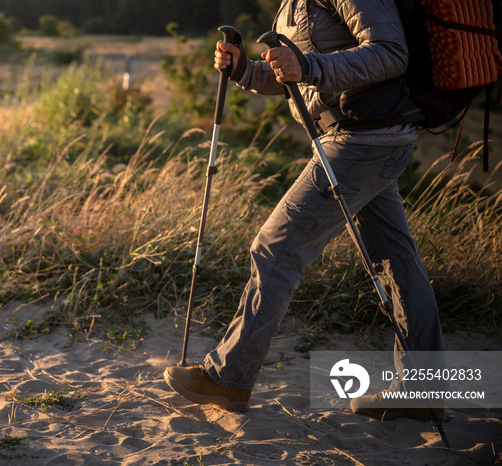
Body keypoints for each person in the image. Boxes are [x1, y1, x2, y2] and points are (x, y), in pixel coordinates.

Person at [164, 0, 447, 420]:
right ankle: (423, 392)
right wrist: (244, 69)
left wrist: (309, 67)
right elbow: (293, 77)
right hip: (367, 140)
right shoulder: (293, 4)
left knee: (276, 248)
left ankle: (228, 378)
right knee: (397, 261)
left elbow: (391, 53)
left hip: (361, 143)